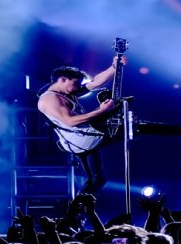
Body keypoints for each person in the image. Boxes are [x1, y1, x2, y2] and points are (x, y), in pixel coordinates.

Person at [37, 56, 125, 195]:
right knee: (132, 128)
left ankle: (77, 213)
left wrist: (114, 67)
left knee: (98, 179)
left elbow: (95, 83)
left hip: (84, 138)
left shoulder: (66, 91)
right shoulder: (49, 98)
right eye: (76, 83)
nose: (78, 87)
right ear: (63, 79)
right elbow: (70, 121)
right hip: (82, 140)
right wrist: (101, 111)